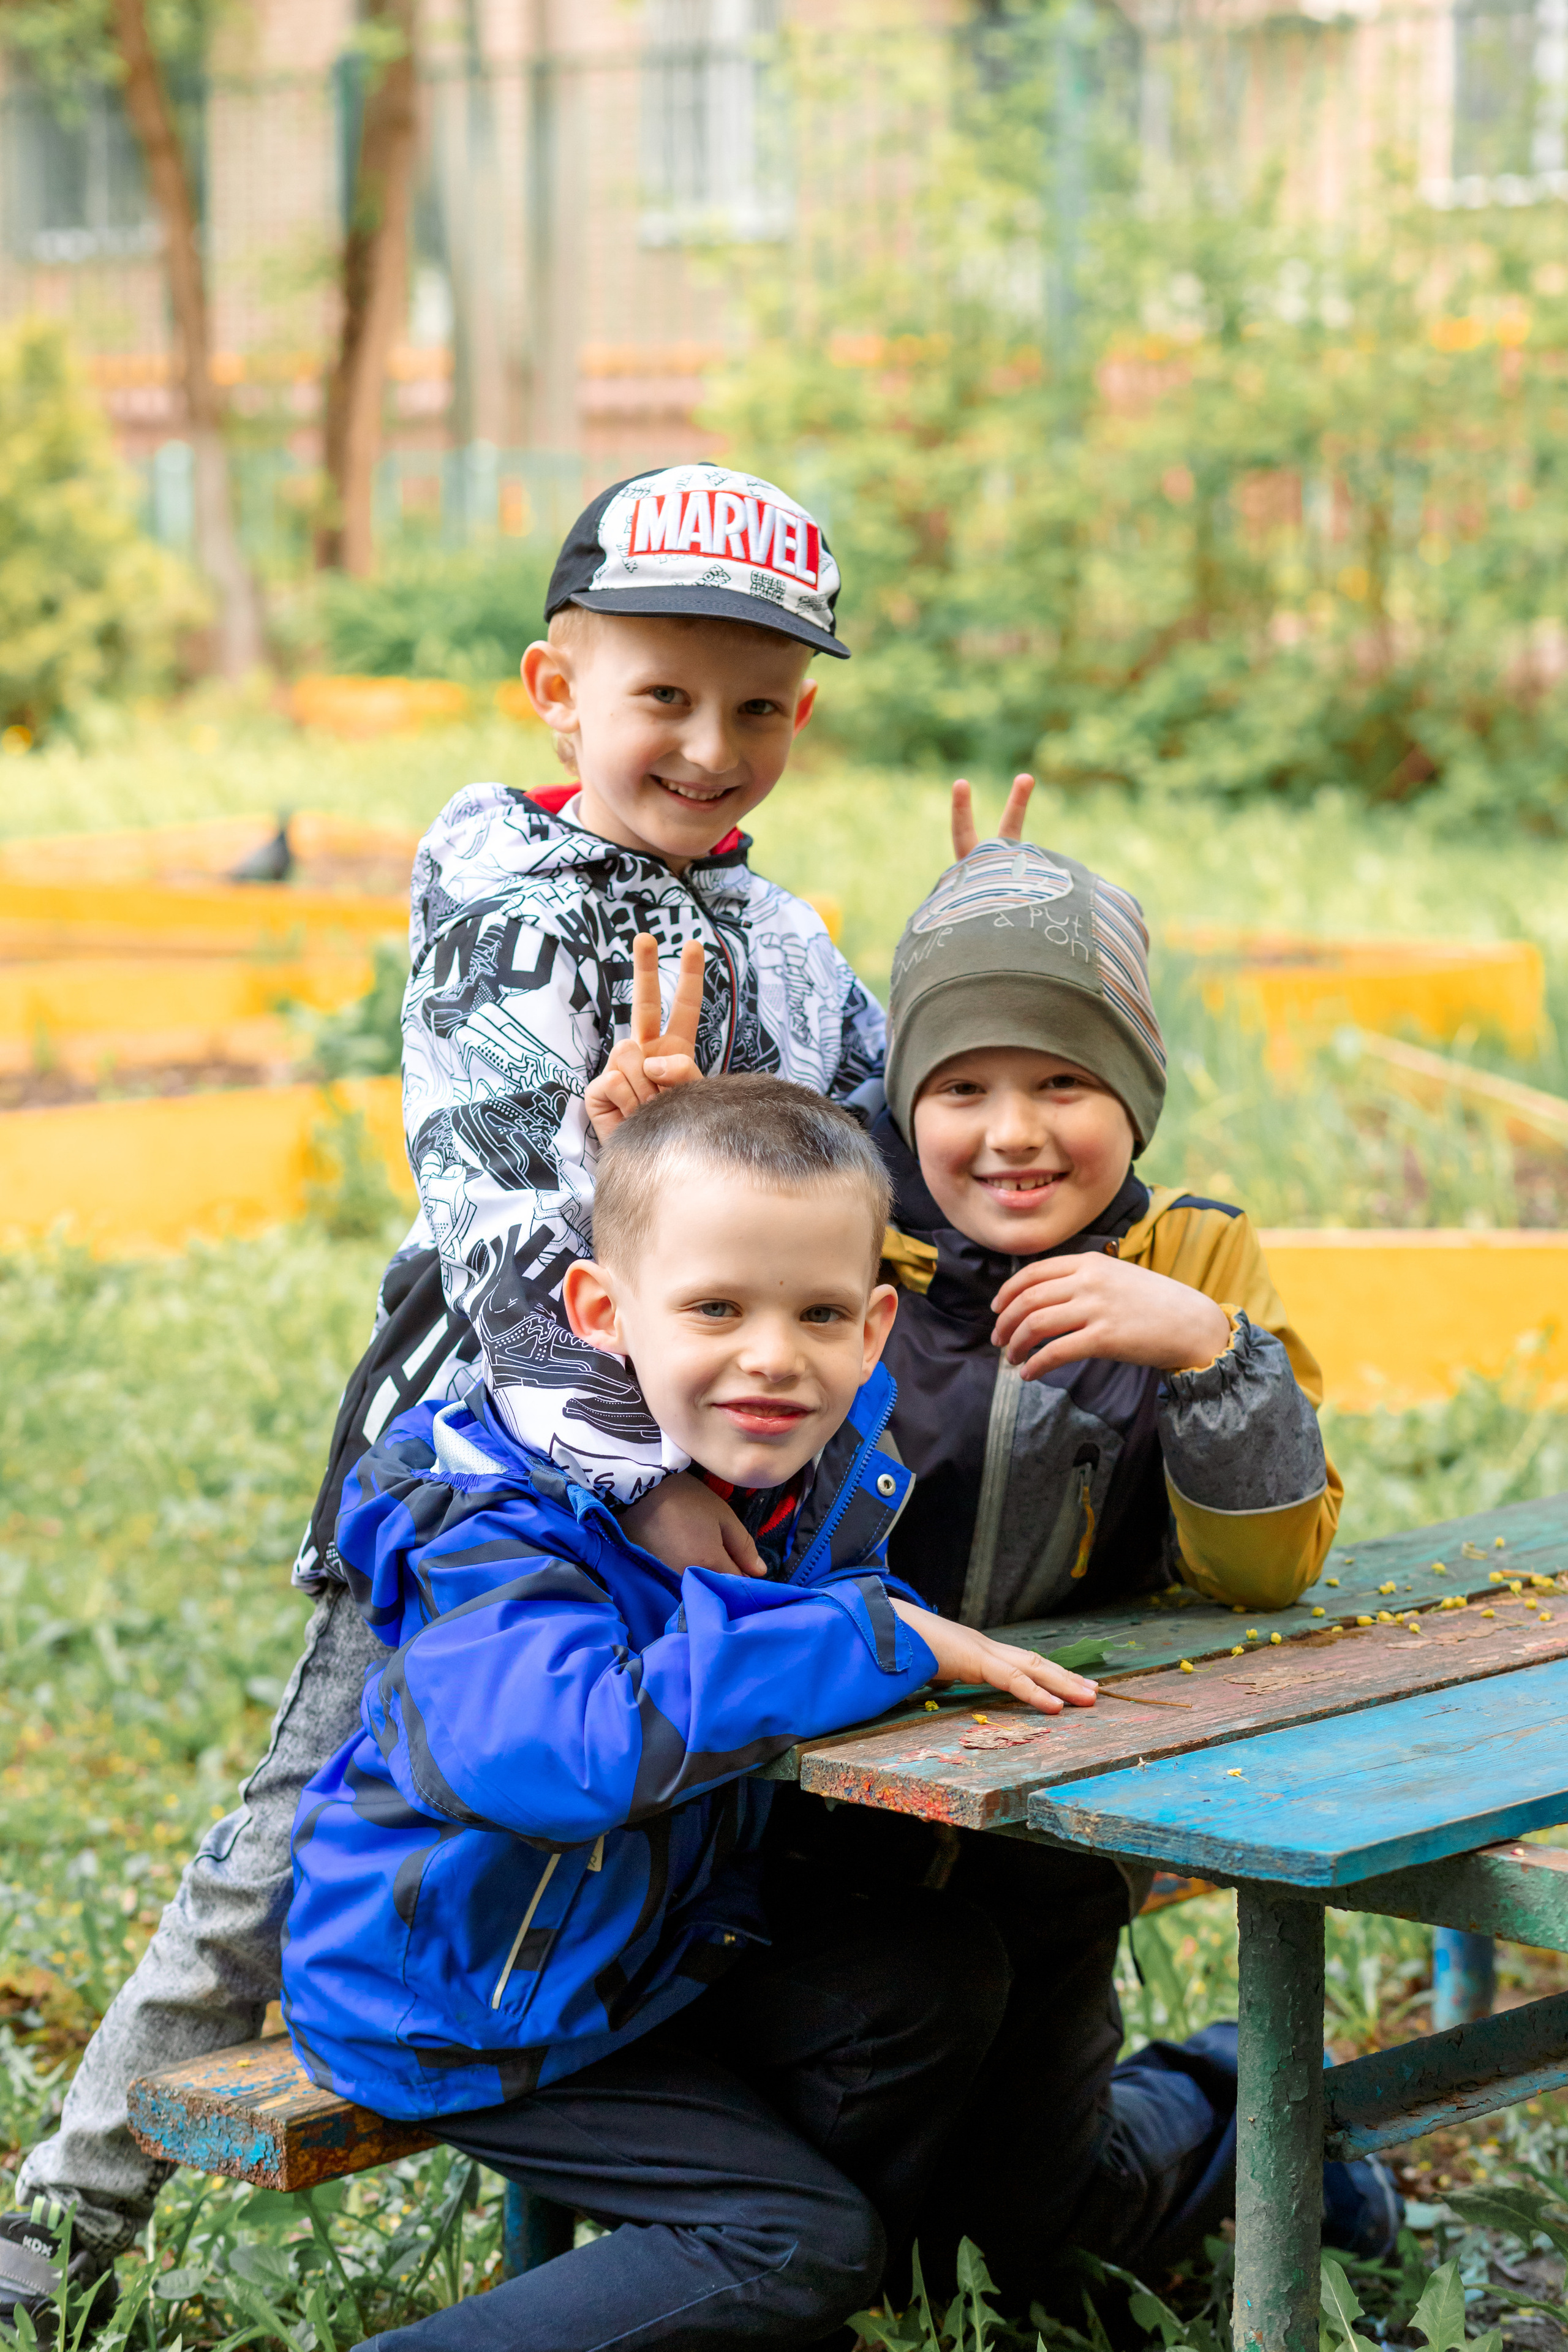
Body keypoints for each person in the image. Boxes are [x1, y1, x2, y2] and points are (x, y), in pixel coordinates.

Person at [2, 462, 906, 2324]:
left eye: (757, 709)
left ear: (801, 721)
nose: (710, 747)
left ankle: (659, 2088)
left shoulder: (793, 945)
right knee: (288, 1834)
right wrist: (640, 1470)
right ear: (557, 691)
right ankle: (64, 2216)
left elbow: (865, 1151)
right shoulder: (504, 902)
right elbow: (493, 1213)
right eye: (664, 696)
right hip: (486, 1468)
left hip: (740, 1444)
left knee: (673, 1775)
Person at [281, 1076, 1084, 2352]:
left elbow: (797, 1633)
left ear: (874, 1326)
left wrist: (872, 1627)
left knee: (928, 1977)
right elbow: (562, 1751)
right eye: (716, 1308)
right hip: (457, 1993)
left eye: (819, 1314)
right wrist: (868, 1635)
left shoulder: (801, 1477)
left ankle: (757, 2305)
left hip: (637, 1949)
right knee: (801, 2244)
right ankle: (774, 2262)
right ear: (602, 1313)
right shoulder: (492, 1513)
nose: (773, 1356)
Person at [761, 799, 1399, 2305]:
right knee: (881, 2236)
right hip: (813, 1810)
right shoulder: (827, 1232)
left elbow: (1262, 1574)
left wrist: (1211, 1354)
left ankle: (1238, 2095)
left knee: (1034, 2241)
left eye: (1063, 1080)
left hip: (1050, 1823)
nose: (1012, 1131)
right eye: (962, 1085)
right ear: (902, 1096)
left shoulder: (1189, 1257)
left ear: (1136, 1092)